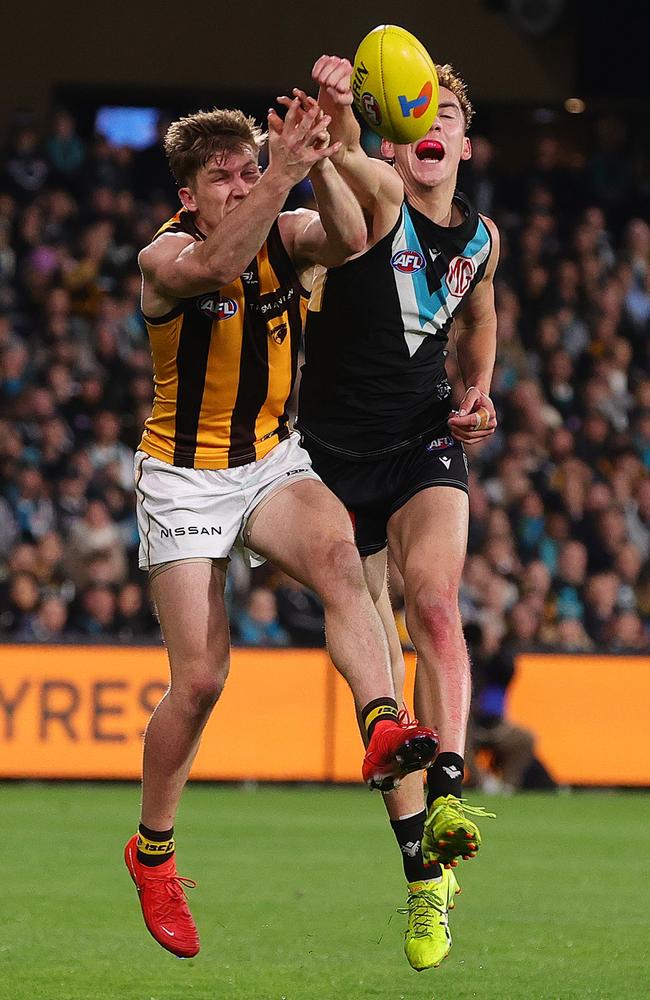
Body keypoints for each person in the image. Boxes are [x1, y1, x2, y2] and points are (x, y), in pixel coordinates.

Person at [123, 100, 439, 960]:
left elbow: (351, 238)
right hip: (184, 478)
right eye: (218, 176)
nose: (237, 183)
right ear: (186, 196)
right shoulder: (165, 255)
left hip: (268, 458)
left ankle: (380, 721)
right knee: (200, 681)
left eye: (243, 167)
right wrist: (282, 171)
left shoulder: (284, 227)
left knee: (342, 559)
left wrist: (328, 149)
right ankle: (153, 853)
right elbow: (219, 262)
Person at [293, 57, 501, 971]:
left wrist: (480, 391)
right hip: (331, 462)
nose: (435, 125)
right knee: (373, 660)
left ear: (463, 140)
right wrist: (337, 111)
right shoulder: (381, 194)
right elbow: (341, 154)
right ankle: (422, 877)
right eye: (423, 111)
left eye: (449, 113)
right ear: (396, 140)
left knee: (437, 603)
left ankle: (451, 788)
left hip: (421, 442)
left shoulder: (483, 239)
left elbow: (481, 314)